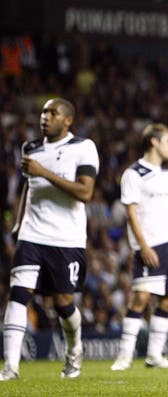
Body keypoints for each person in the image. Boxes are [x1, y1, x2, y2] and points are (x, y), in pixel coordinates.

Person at [1, 98, 99, 380]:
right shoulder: (31, 148)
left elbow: (85, 192)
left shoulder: (83, 147)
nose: (45, 116)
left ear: (67, 120)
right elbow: (28, 188)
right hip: (32, 235)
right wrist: (19, 221)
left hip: (67, 239)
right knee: (18, 295)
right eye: (43, 112)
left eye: (52, 112)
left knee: (63, 303)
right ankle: (10, 368)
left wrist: (44, 172)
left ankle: (74, 349)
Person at [110, 123, 168, 371]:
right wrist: (142, 247)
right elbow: (130, 213)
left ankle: (154, 355)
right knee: (140, 297)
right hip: (148, 245)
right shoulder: (134, 174)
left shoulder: (166, 175)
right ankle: (124, 357)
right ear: (154, 142)